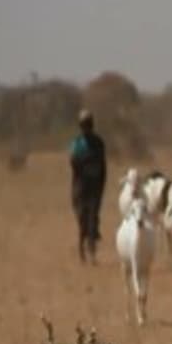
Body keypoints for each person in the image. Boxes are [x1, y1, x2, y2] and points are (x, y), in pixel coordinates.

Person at [68, 109, 107, 263]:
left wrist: (101, 185)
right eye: (84, 124)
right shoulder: (77, 143)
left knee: (92, 219)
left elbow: (103, 166)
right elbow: (73, 163)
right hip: (80, 187)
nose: (86, 127)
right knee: (82, 219)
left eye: (88, 124)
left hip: (95, 187)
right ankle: (81, 247)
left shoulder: (99, 143)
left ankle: (91, 252)